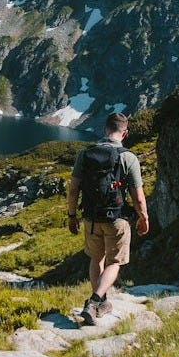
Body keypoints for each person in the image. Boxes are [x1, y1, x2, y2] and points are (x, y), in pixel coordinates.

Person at [66, 112, 149, 325]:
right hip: (117, 219)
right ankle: (94, 302)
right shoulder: (128, 157)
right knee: (115, 262)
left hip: (91, 219)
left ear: (105, 129)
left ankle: (100, 304)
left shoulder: (85, 155)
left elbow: (73, 189)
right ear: (125, 132)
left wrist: (72, 215)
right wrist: (144, 217)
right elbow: (138, 197)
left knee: (96, 258)